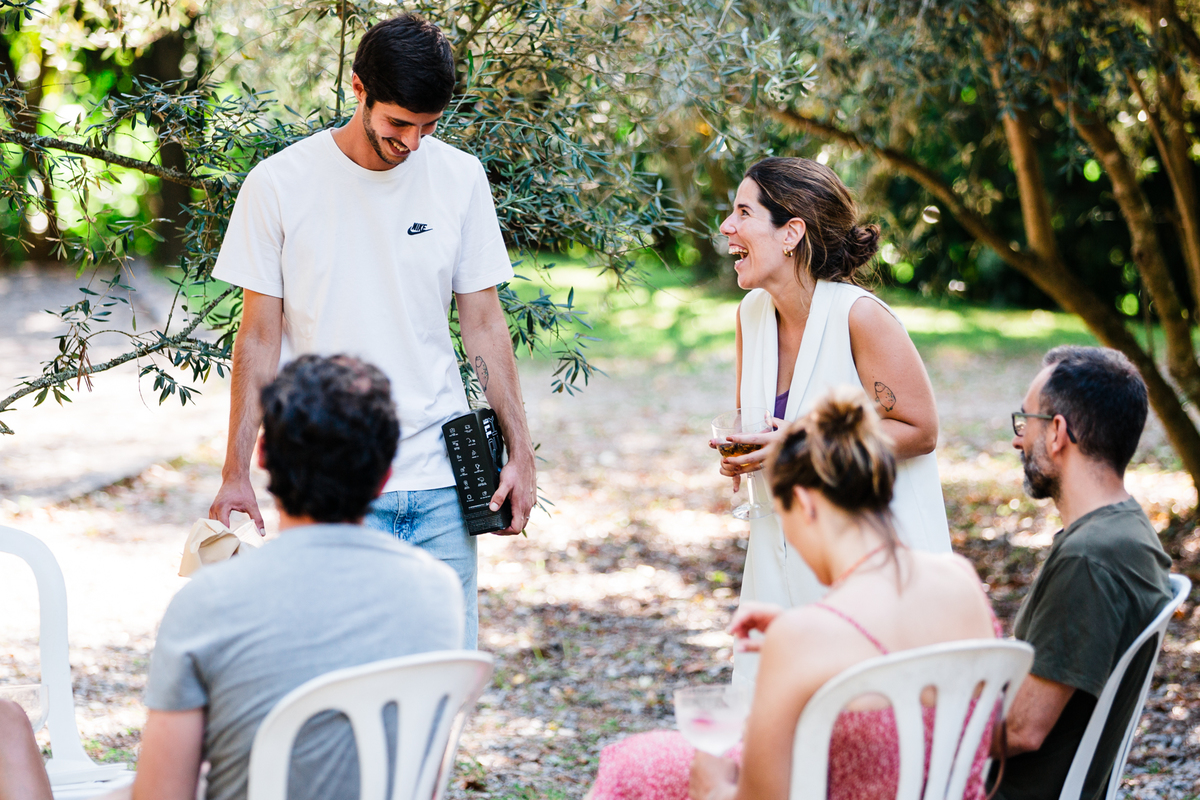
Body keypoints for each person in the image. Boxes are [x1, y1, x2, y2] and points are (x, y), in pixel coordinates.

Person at [206, 13, 537, 649]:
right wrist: (235, 471)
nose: (413, 143)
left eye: (428, 127)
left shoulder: (460, 177)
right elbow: (259, 341)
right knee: (336, 677)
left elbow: (484, 324)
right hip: (334, 488)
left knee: (442, 682)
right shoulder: (278, 184)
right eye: (398, 124)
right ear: (358, 89)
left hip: (442, 484)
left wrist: (522, 452)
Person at [0, 354, 465, 800]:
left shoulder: (209, 602)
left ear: (263, 455)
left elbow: (164, 794)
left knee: (7, 726)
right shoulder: (437, 591)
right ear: (385, 474)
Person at [590, 387, 998, 800]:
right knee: (648, 758)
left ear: (804, 503)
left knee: (631, 767)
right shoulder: (960, 579)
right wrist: (802, 633)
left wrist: (711, 787)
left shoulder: (801, 638)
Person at [712, 156, 950, 685]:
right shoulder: (751, 315)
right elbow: (761, 427)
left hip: (869, 565)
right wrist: (747, 454)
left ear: (791, 232)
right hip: (776, 556)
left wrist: (804, 443)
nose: (727, 226)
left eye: (744, 213)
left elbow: (921, 430)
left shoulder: (859, 316)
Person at [990, 346, 1172, 800]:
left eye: (1025, 422)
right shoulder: (1129, 528)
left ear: (1057, 432)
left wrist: (907, 732)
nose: (1017, 441)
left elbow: (1022, 728)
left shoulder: (1089, 560)